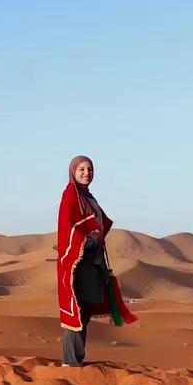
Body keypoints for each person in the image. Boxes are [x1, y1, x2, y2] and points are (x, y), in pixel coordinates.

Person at [57, 155, 137, 366]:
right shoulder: (70, 195)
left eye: (90, 169)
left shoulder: (88, 197)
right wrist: (88, 239)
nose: (87, 173)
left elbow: (97, 224)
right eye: (82, 169)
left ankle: (76, 358)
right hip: (78, 261)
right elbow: (69, 227)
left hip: (92, 261)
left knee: (84, 310)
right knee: (77, 310)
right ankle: (70, 361)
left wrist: (96, 238)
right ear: (73, 172)